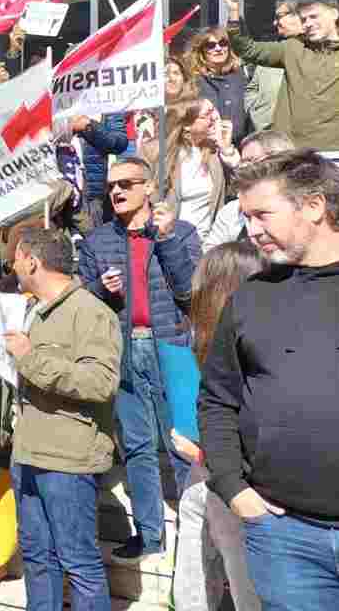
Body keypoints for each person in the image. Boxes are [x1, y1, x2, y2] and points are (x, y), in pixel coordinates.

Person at [199, 150, 339, 610]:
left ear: (314, 206)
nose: (252, 230)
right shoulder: (251, 298)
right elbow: (217, 400)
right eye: (246, 217)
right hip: (285, 539)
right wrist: (233, 487)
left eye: (262, 214)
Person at [78, 156, 200, 562]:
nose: (116, 191)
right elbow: (82, 302)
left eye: (127, 184)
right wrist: (100, 289)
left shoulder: (180, 232)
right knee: (137, 446)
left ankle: (195, 533)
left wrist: (166, 239)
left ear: (149, 187)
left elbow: (191, 293)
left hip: (172, 346)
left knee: (182, 443)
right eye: (112, 186)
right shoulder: (97, 242)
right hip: (124, 348)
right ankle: (149, 535)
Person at [6, 227, 121, 611]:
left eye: (16, 260)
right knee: (38, 559)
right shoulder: (30, 310)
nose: (12, 267)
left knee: (79, 564)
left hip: (68, 461)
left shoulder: (91, 312)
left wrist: (30, 358)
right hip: (27, 453)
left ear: (32, 262)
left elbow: (100, 382)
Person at [172, 242, 266, 611]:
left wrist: (203, 452)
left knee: (245, 589)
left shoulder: (256, 345)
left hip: (238, 484)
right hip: (204, 475)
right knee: (195, 583)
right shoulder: (202, 337)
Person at [226, 0, 339, 151]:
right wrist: (234, 12)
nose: (308, 24)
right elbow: (247, 49)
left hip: (333, 151)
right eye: (304, 19)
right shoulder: (292, 48)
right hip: (292, 151)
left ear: (334, 14)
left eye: (314, 16)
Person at [142, 99, 236, 247]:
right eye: (206, 115)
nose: (215, 118)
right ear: (187, 125)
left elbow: (238, 188)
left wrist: (227, 148)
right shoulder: (157, 153)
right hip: (169, 241)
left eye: (213, 111)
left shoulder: (214, 153)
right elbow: (145, 197)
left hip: (205, 244)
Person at [205, 129, 296, 248]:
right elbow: (211, 254)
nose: (243, 168)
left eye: (251, 162)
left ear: (279, 161)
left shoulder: (302, 205)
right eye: (243, 162)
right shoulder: (232, 212)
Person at [243, 0, 303, 130]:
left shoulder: (322, 53)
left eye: (279, 17)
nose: (274, 23)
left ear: (299, 16)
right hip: (267, 132)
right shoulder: (272, 52)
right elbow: (252, 88)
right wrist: (256, 111)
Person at [191, 26, 255, 147]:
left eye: (223, 43)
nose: (218, 48)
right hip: (207, 147)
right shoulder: (194, 81)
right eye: (211, 45)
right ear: (201, 51)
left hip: (240, 147)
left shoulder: (241, 75)